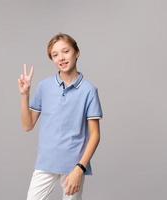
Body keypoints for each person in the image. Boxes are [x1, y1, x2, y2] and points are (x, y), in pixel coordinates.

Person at [18, 33, 103, 200]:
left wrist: (80, 169)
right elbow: (27, 126)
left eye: (66, 51)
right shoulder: (44, 86)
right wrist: (24, 94)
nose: (61, 58)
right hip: (46, 162)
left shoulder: (89, 90)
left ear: (77, 53)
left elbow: (95, 135)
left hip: (74, 166)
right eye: (55, 55)